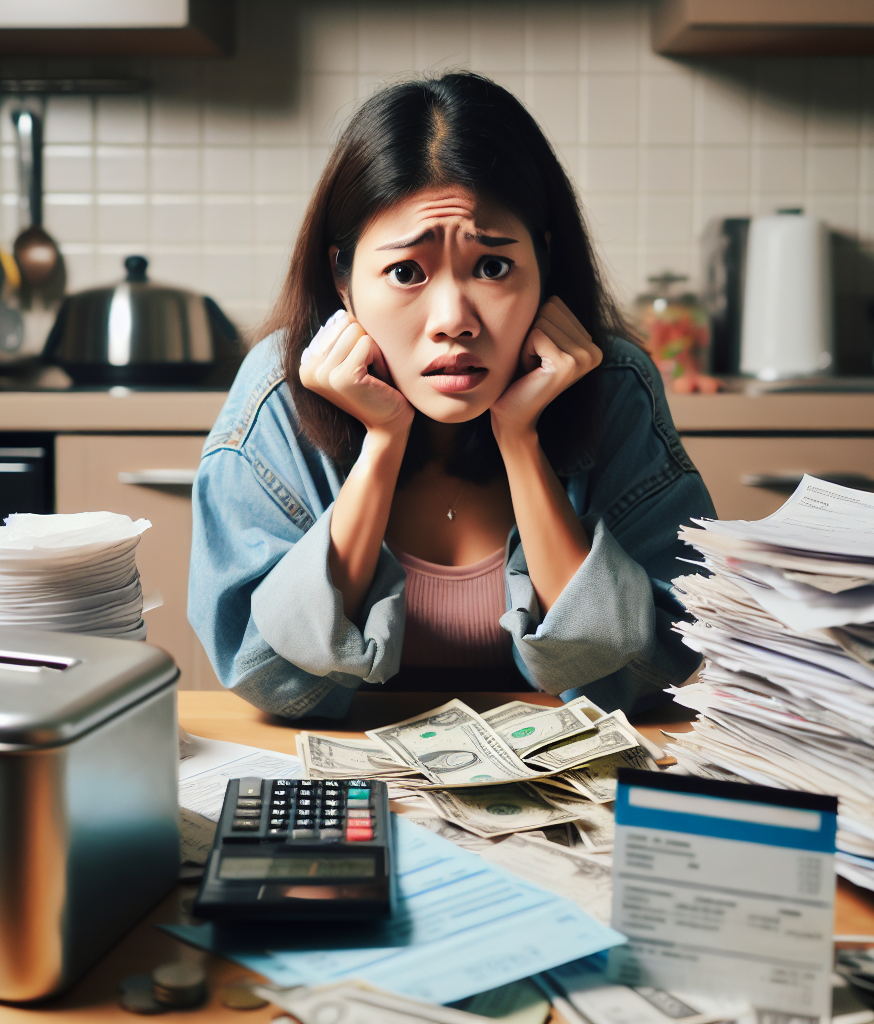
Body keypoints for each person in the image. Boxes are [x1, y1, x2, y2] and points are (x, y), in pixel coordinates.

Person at [189, 71, 715, 720]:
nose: (453, 319)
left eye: (492, 267)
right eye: (406, 272)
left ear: (543, 263)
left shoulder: (613, 385)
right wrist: (382, 442)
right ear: (344, 277)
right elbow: (267, 676)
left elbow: (653, 668)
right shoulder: (279, 388)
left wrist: (520, 440)